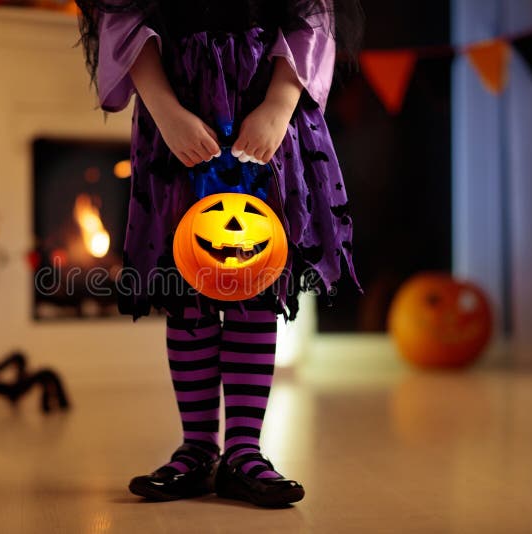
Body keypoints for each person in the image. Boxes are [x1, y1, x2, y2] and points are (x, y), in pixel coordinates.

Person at [74, 0, 363, 507]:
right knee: (188, 284)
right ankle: (198, 447)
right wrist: (165, 112)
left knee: (252, 276)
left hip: (265, 110)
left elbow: (312, 14)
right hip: (180, 114)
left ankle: (244, 451)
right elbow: (121, 15)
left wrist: (278, 108)